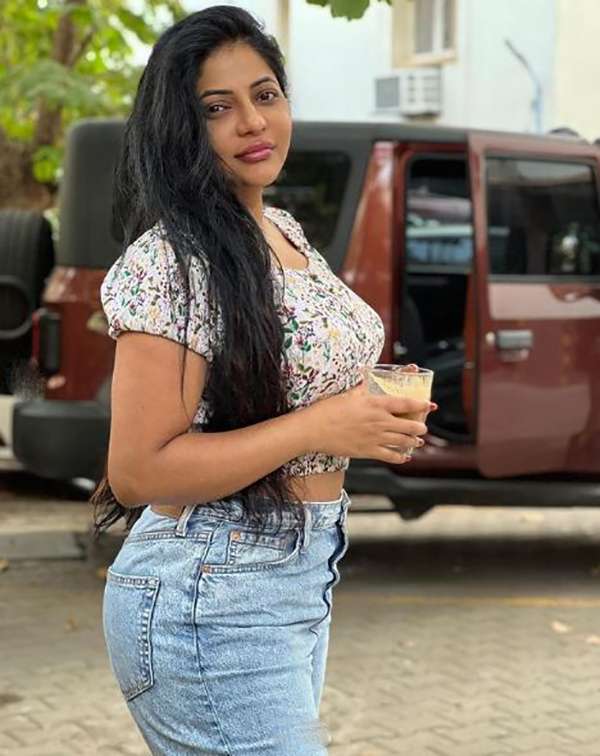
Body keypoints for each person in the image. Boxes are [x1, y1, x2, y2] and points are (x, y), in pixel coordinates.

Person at [92, 6, 435, 755]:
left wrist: (368, 411)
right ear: (181, 129)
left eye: (266, 94)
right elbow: (138, 470)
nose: (253, 121)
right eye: (217, 108)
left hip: (299, 572)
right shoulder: (170, 261)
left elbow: (296, 383)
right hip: (211, 586)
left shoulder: (283, 232)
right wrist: (325, 425)